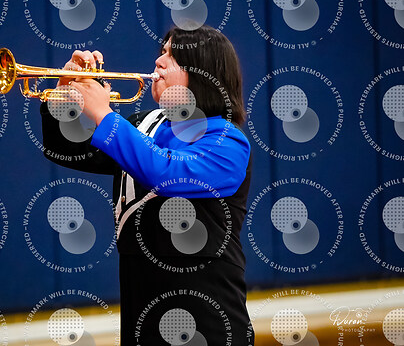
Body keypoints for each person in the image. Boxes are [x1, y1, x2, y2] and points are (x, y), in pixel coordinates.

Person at [40, 25, 254, 345]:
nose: (159, 61)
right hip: (141, 306)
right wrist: (64, 94)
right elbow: (69, 149)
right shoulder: (144, 124)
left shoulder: (227, 140)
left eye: (173, 55)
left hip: (206, 314)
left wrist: (103, 113)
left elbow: (167, 173)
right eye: (161, 52)